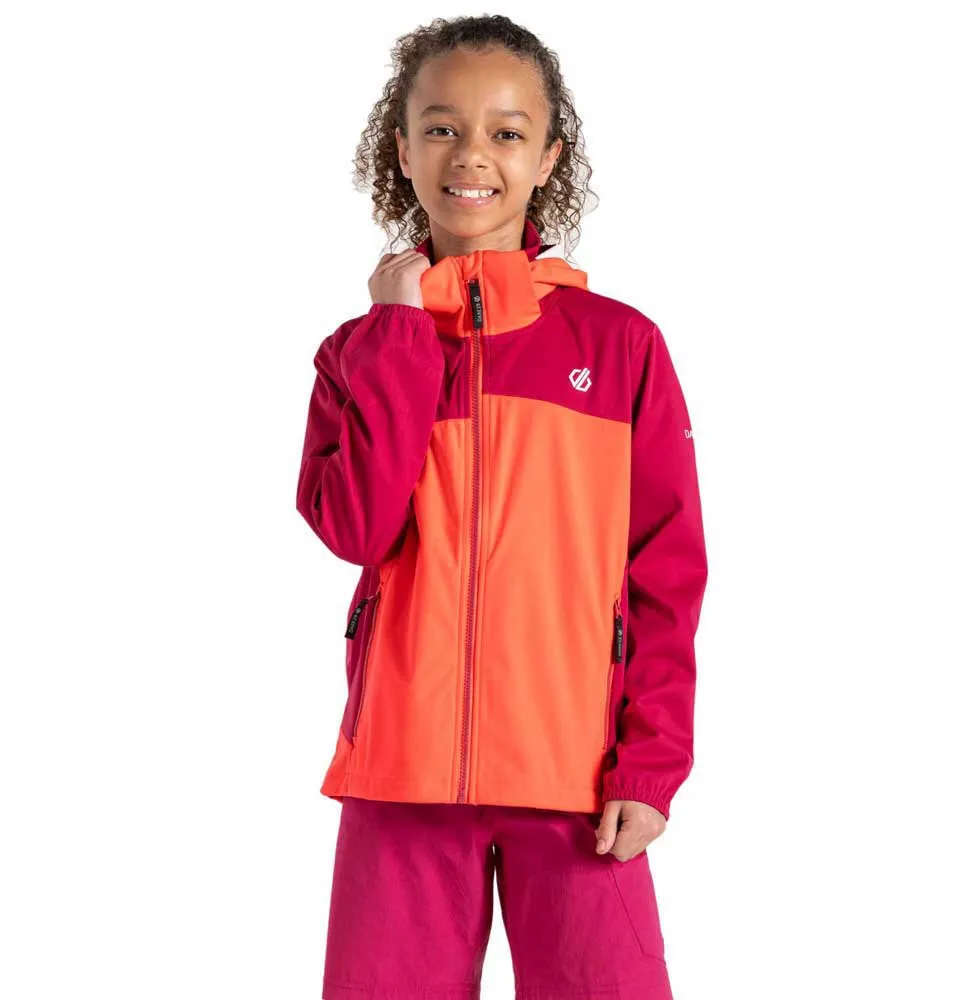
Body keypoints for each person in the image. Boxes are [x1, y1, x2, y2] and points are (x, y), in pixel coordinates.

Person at [295, 14, 708, 1000]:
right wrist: (400, 335)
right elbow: (355, 526)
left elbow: (666, 570)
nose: (471, 153)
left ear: (548, 157)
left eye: (507, 131)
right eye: (440, 127)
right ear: (401, 148)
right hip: (400, 773)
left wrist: (649, 767)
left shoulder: (619, 347)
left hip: (576, 780)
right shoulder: (357, 352)